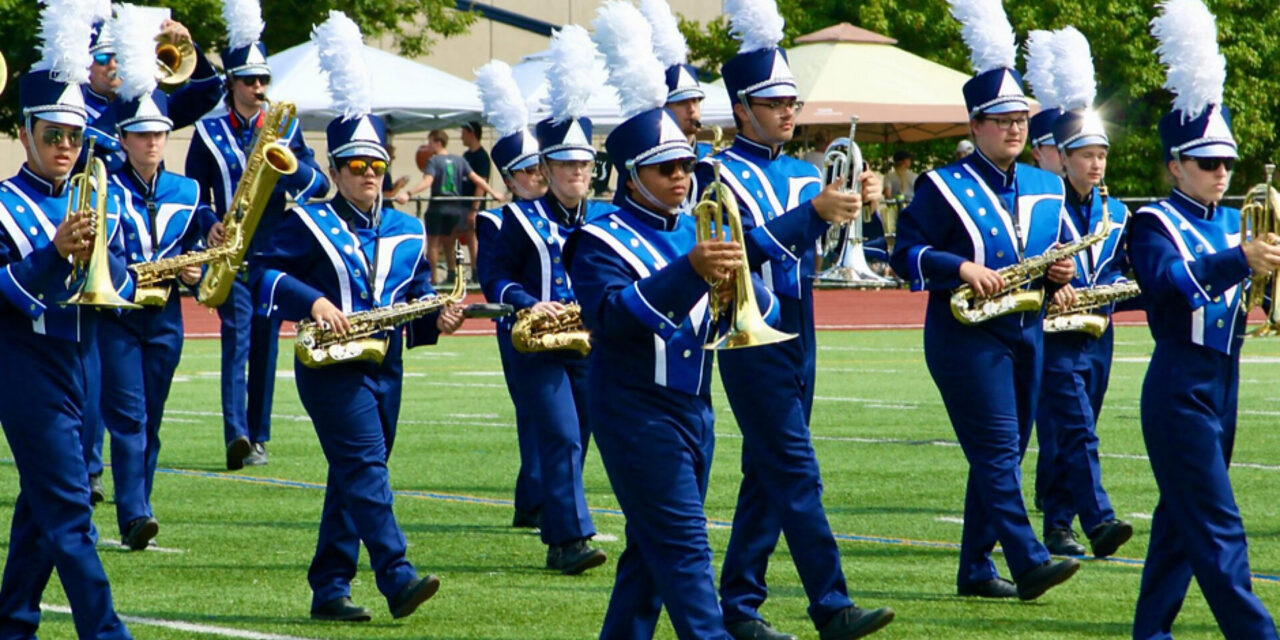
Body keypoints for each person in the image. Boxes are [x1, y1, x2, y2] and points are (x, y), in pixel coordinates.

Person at [571, 6, 779, 636]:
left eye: (686, 166)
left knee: (648, 555)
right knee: (686, 549)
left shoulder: (700, 225)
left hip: (695, 406)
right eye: (667, 169)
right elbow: (612, 316)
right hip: (635, 409)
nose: (682, 178)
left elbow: (757, 307)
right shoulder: (597, 239)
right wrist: (690, 270)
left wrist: (745, 295)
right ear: (633, 176)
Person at [251, 13, 462, 622]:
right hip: (329, 363)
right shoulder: (309, 219)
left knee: (354, 473)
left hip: (385, 365)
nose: (368, 176)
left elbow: (415, 297)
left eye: (376, 165)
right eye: (355, 166)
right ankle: (396, 575)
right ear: (336, 169)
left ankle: (329, 587)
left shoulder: (406, 228)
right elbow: (260, 272)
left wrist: (435, 324)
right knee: (366, 467)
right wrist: (313, 301)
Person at [702, 1, 894, 638]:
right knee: (795, 468)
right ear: (741, 109)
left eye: (792, 100)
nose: (790, 111)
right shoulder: (715, 173)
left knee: (768, 472)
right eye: (774, 101)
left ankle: (739, 604)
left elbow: (843, 254)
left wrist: (866, 210)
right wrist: (816, 212)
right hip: (746, 331)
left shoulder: (804, 170)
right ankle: (831, 605)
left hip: (801, 327)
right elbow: (740, 248)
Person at [888, 0, 1080, 601]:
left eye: (1020, 117)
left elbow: (1048, 253)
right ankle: (1026, 560)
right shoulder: (942, 185)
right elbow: (904, 253)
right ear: (974, 125)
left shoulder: (1050, 185)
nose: (1014, 127)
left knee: (1004, 451)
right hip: (964, 335)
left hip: (1029, 331)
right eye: (999, 119)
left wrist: (1061, 273)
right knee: (997, 449)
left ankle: (975, 569)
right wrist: (960, 266)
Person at [1130, 2, 1280, 637]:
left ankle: (1151, 631)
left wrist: (1268, 283)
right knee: (1218, 524)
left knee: (1177, 523)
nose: (1221, 174)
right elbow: (1168, 286)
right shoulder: (1152, 223)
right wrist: (1240, 258)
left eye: (1226, 164)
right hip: (1178, 389)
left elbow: (1258, 307)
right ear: (1175, 165)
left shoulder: (1233, 222)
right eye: (1206, 163)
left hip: (1225, 385)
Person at [0, 7, 133, 636]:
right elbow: (4, 289)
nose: (64, 148)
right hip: (26, 366)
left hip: (89, 364)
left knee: (41, 508)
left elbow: (127, 278)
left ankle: (14, 622)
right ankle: (106, 633)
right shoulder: (3, 204)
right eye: (51, 135)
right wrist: (55, 252)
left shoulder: (98, 195)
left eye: (74, 138)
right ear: (25, 134)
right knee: (71, 514)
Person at [78, 4, 224, 505]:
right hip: (108, 281)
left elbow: (207, 91)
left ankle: (129, 498)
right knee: (117, 407)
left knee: (147, 414)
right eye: (104, 58)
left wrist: (190, 48)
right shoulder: (73, 106)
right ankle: (115, 494)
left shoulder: (148, 103)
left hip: (162, 302)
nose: (113, 67)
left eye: (122, 57)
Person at [186, 0, 329, 471]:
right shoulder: (207, 132)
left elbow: (317, 183)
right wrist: (210, 223)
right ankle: (237, 435)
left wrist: (284, 165)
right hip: (231, 252)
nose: (258, 88)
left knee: (267, 346)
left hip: (273, 251)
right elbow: (194, 195)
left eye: (263, 80)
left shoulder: (283, 128)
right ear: (232, 84)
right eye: (250, 80)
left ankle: (260, 433)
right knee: (236, 341)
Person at [487, 23, 609, 575]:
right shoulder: (515, 217)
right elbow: (495, 275)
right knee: (558, 434)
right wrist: (524, 302)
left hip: (589, 341)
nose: (576, 173)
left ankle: (561, 526)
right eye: (565, 165)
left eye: (584, 165)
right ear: (549, 169)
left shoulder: (608, 219)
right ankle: (569, 540)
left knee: (578, 438)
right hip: (534, 341)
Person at [1030, 27, 1133, 559]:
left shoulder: (1117, 213)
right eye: (1084, 154)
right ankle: (1098, 521)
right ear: (1062, 158)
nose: (1095, 163)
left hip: (1100, 332)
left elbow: (1126, 268)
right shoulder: (1043, 208)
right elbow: (1018, 269)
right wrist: (1051, 285)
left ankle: (1057, 523)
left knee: (1075, 427)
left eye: (1102, 154)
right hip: (1053, 334)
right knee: (1074, 428)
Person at [473, 59, 547, 528]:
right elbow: (493, 277)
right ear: (510, 178)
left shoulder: (566, 215)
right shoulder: (496, 219)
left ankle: (535, 501)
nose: (539, 176)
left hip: (569, 325)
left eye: (542, 167)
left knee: (570, 420)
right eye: (529, 171)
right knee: (537, 413)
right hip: (521, 325)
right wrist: (526, 303)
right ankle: (539, 503)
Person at [397, 129, 498, 284]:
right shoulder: (460, 160)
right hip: (455, 208)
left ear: (438, 142)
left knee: (433, 244)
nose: (428, 146)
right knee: (450, 241)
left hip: (438, 207)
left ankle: (433, 279)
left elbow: (427, 182)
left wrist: (408, 193)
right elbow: (477, 179)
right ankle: (452, 275)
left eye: (430, 142)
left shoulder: (434, 161)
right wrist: (493, 192)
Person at [641, 0, 710, 211]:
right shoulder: (647, 162)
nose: (692, 109)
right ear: (664, 108)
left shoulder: (712, 158)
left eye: (696, 101)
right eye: (681, 103)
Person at [460, 121, 491, 279]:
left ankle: (477, 272)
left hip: (474, 205)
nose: (461, 137)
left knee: (474, 239)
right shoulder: (466, 156)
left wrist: (475, 208)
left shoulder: (481, 156)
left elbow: (482, 182)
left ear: (472, 134)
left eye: (463, 133)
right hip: (464, 204)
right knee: (465, 238)